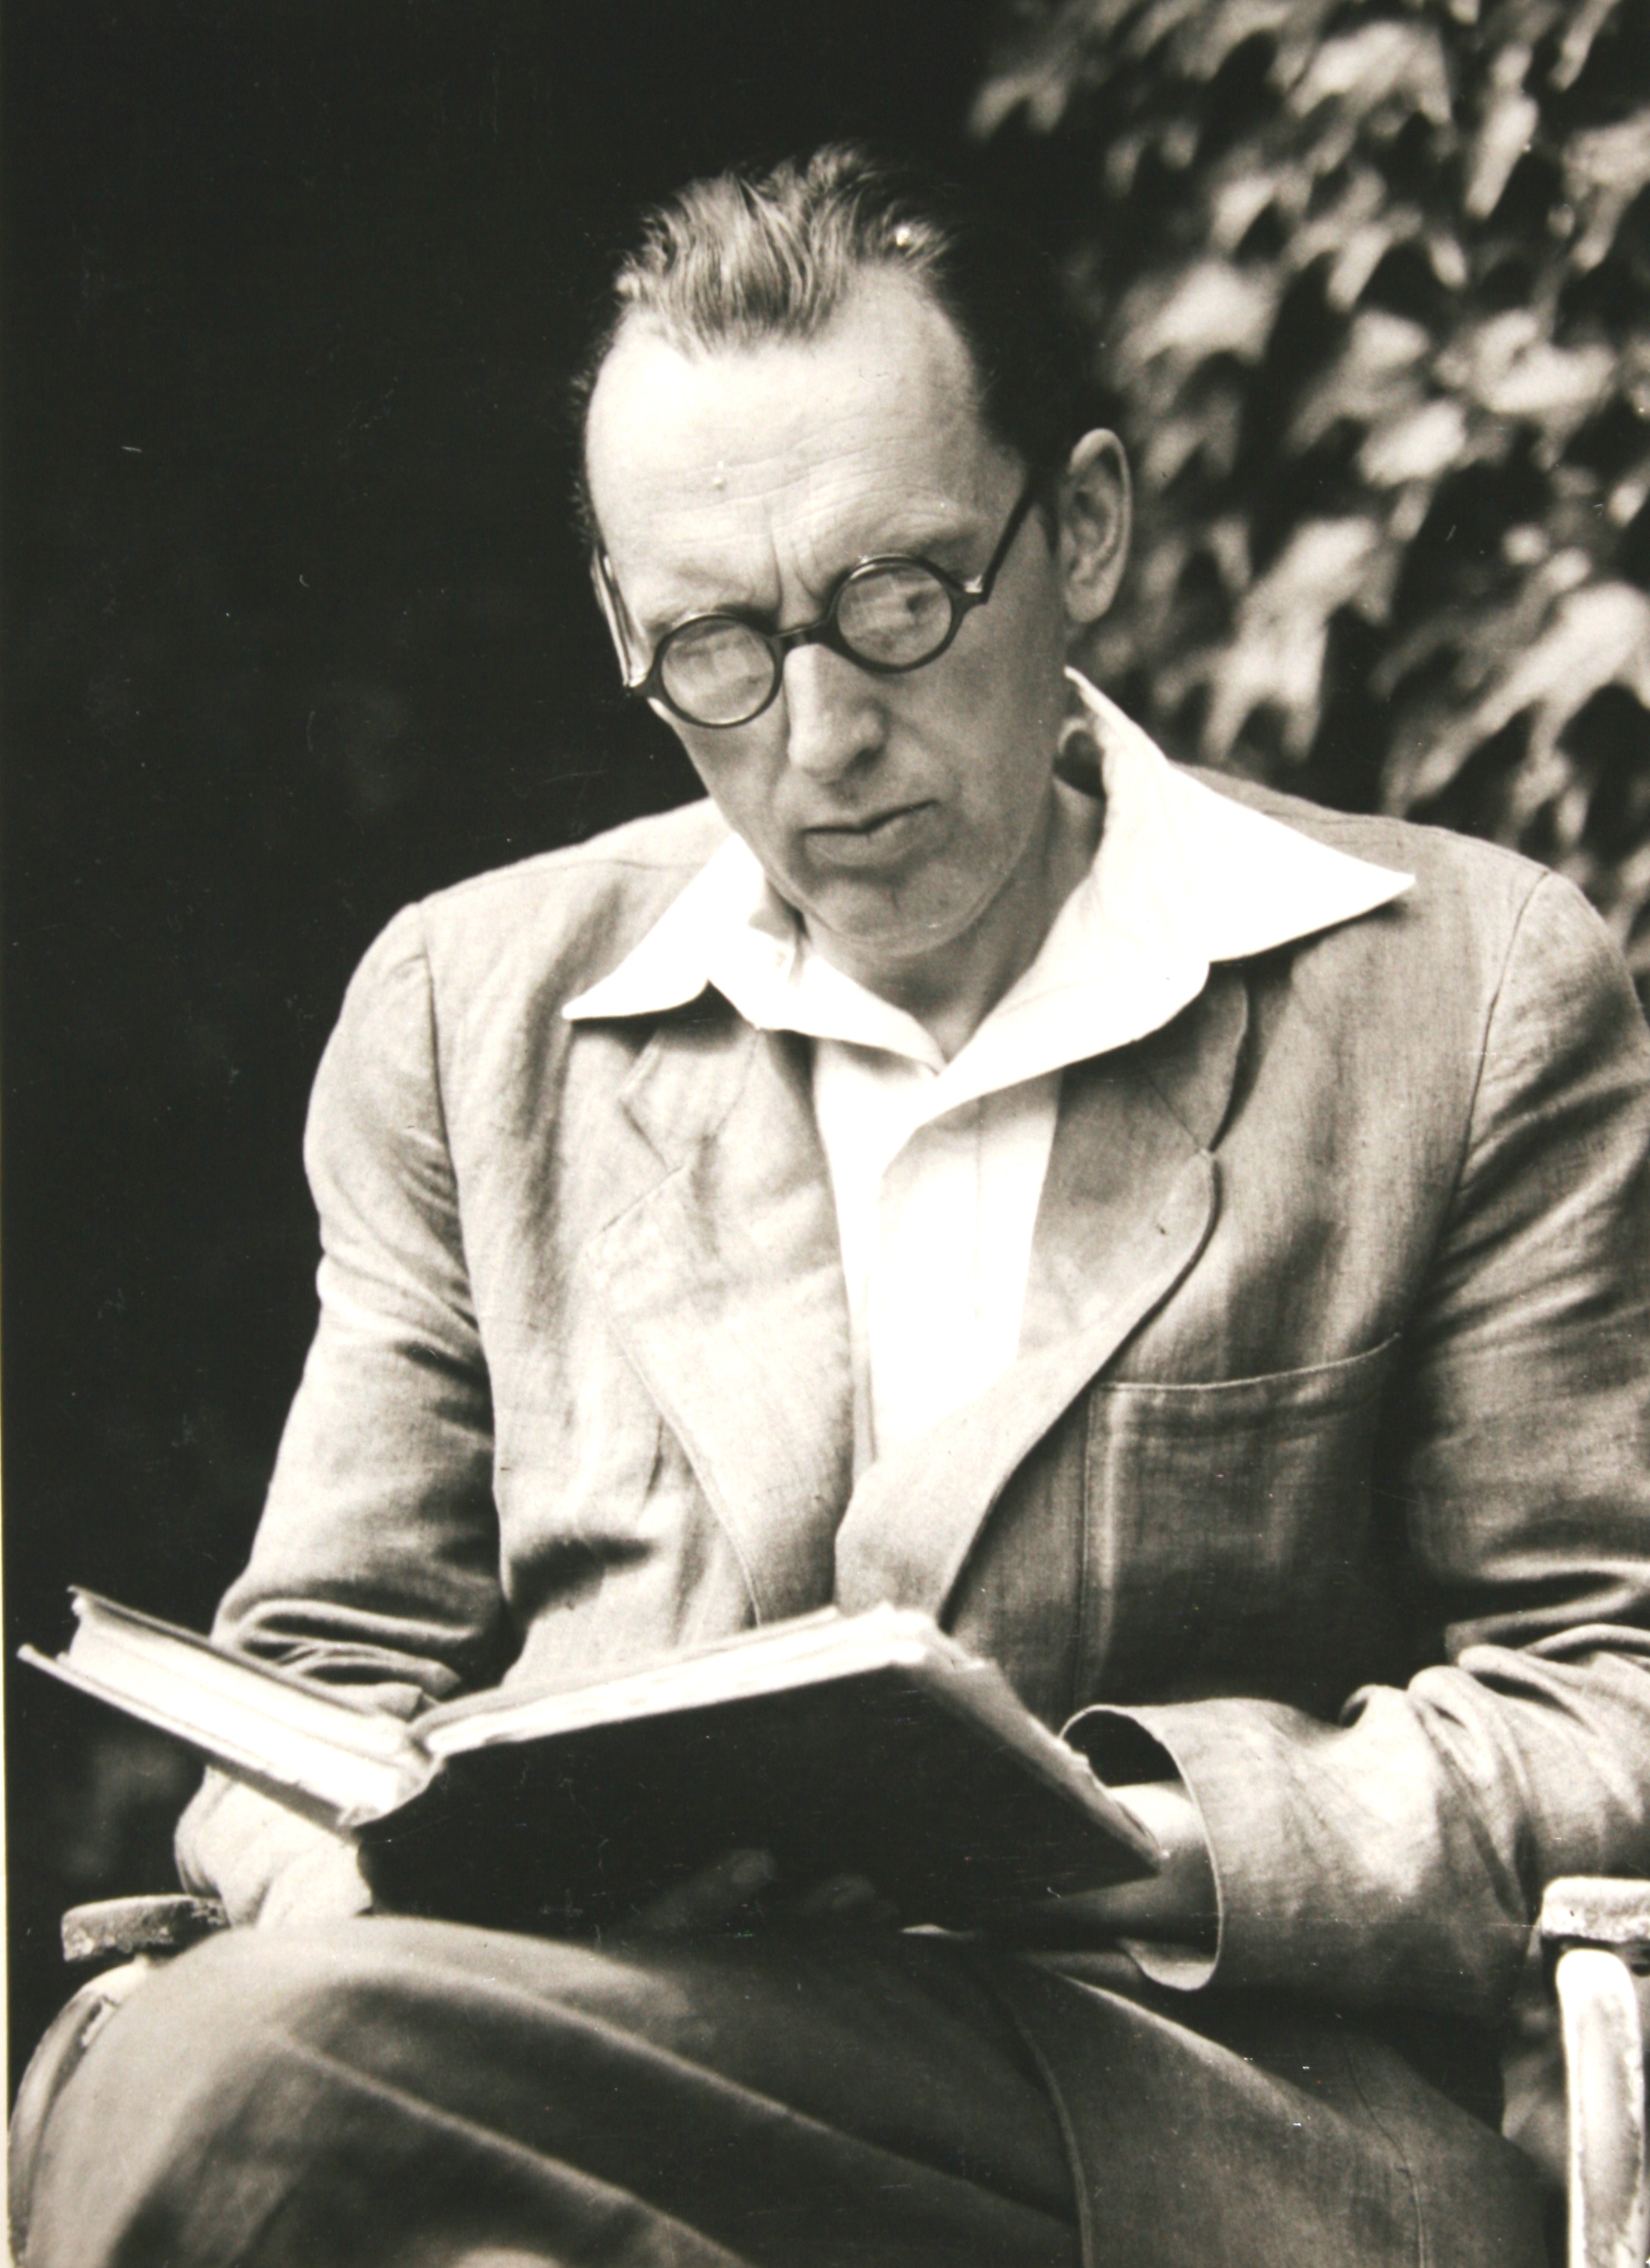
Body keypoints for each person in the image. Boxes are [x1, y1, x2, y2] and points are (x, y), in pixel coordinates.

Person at [25, 143, 1650, 2268]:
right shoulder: (470, 1014)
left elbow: (1604, 1696)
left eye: (898, 602)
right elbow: (318, 1684)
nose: (822, 742)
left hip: (1201, 2142)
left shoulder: (1463, 987)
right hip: (571, 2079)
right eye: (713, 646)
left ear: (1081, 527)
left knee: (206, 2090)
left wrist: (1130, 1842)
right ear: (621, 626)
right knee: (291, 2096)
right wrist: (369, 1893)